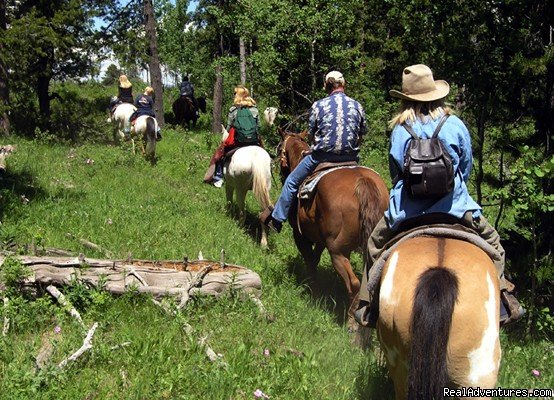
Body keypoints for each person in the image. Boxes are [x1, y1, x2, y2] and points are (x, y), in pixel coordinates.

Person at [357, 64, 524, 326]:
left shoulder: (401, 130)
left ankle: (369, 306)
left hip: (407, 211)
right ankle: (503, 300)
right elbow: (465, 167)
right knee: (495, 245)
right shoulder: (454, 124)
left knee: (374, 245)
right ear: (437, 95)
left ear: (407, 100)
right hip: (454, 208)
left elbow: (397, 173)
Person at [260, 71, 367, 232]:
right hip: (351, 158)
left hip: (322, 157)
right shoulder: (357, 105)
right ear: (343, 85)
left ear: (327, 86)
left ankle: (277, 219)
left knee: (291, 182)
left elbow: (311, 135)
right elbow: (361, 134)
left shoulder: (318, 105)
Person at [204, 85, 262, 188]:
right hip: (253, 141)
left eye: (235, 93)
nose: (233, 95)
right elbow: (259, 127)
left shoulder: (233, 109)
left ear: (238, 95)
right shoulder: (255, 109)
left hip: (238, 141)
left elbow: (229, 127)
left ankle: (218, 177)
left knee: (220, 154)